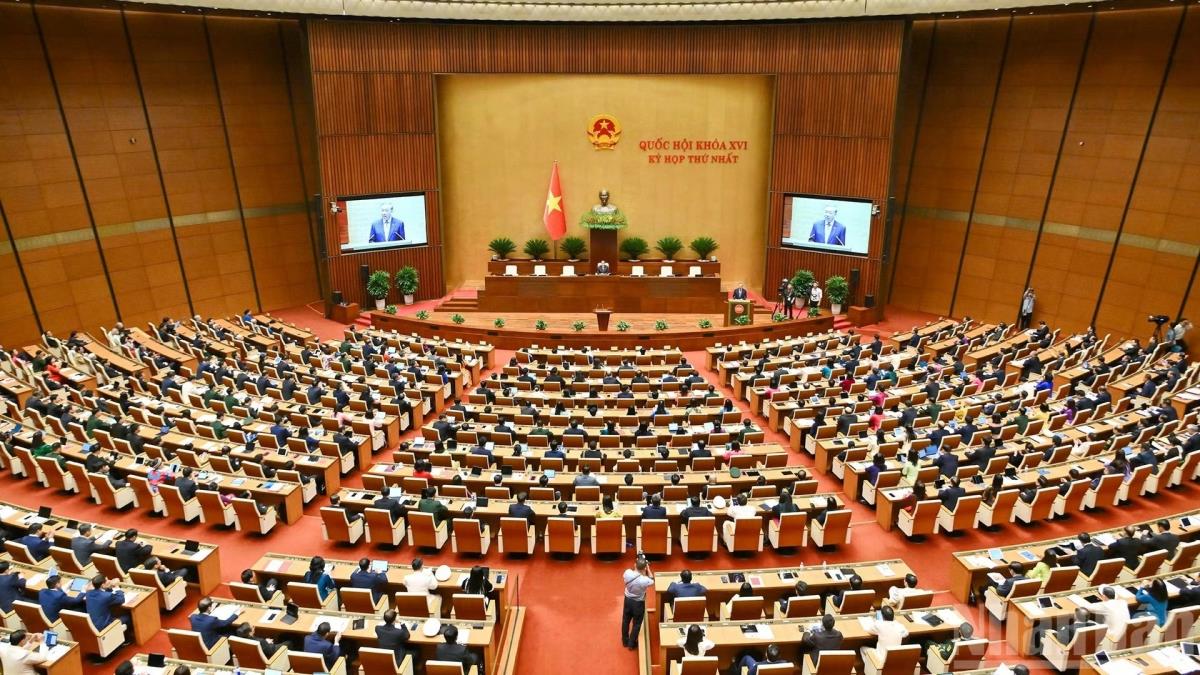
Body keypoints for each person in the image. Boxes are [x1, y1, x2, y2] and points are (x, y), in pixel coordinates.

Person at [621, 557, 654, 650]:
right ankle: (631, 644)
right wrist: (648, 569)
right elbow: (652, 580)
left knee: (625, 620)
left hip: (627, 600)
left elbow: (633, 572)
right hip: (638, 604)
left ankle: (625, 641)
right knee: (637, 624)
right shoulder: (645, 580)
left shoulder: (627, 572)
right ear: (644, 568)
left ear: (635, 565)